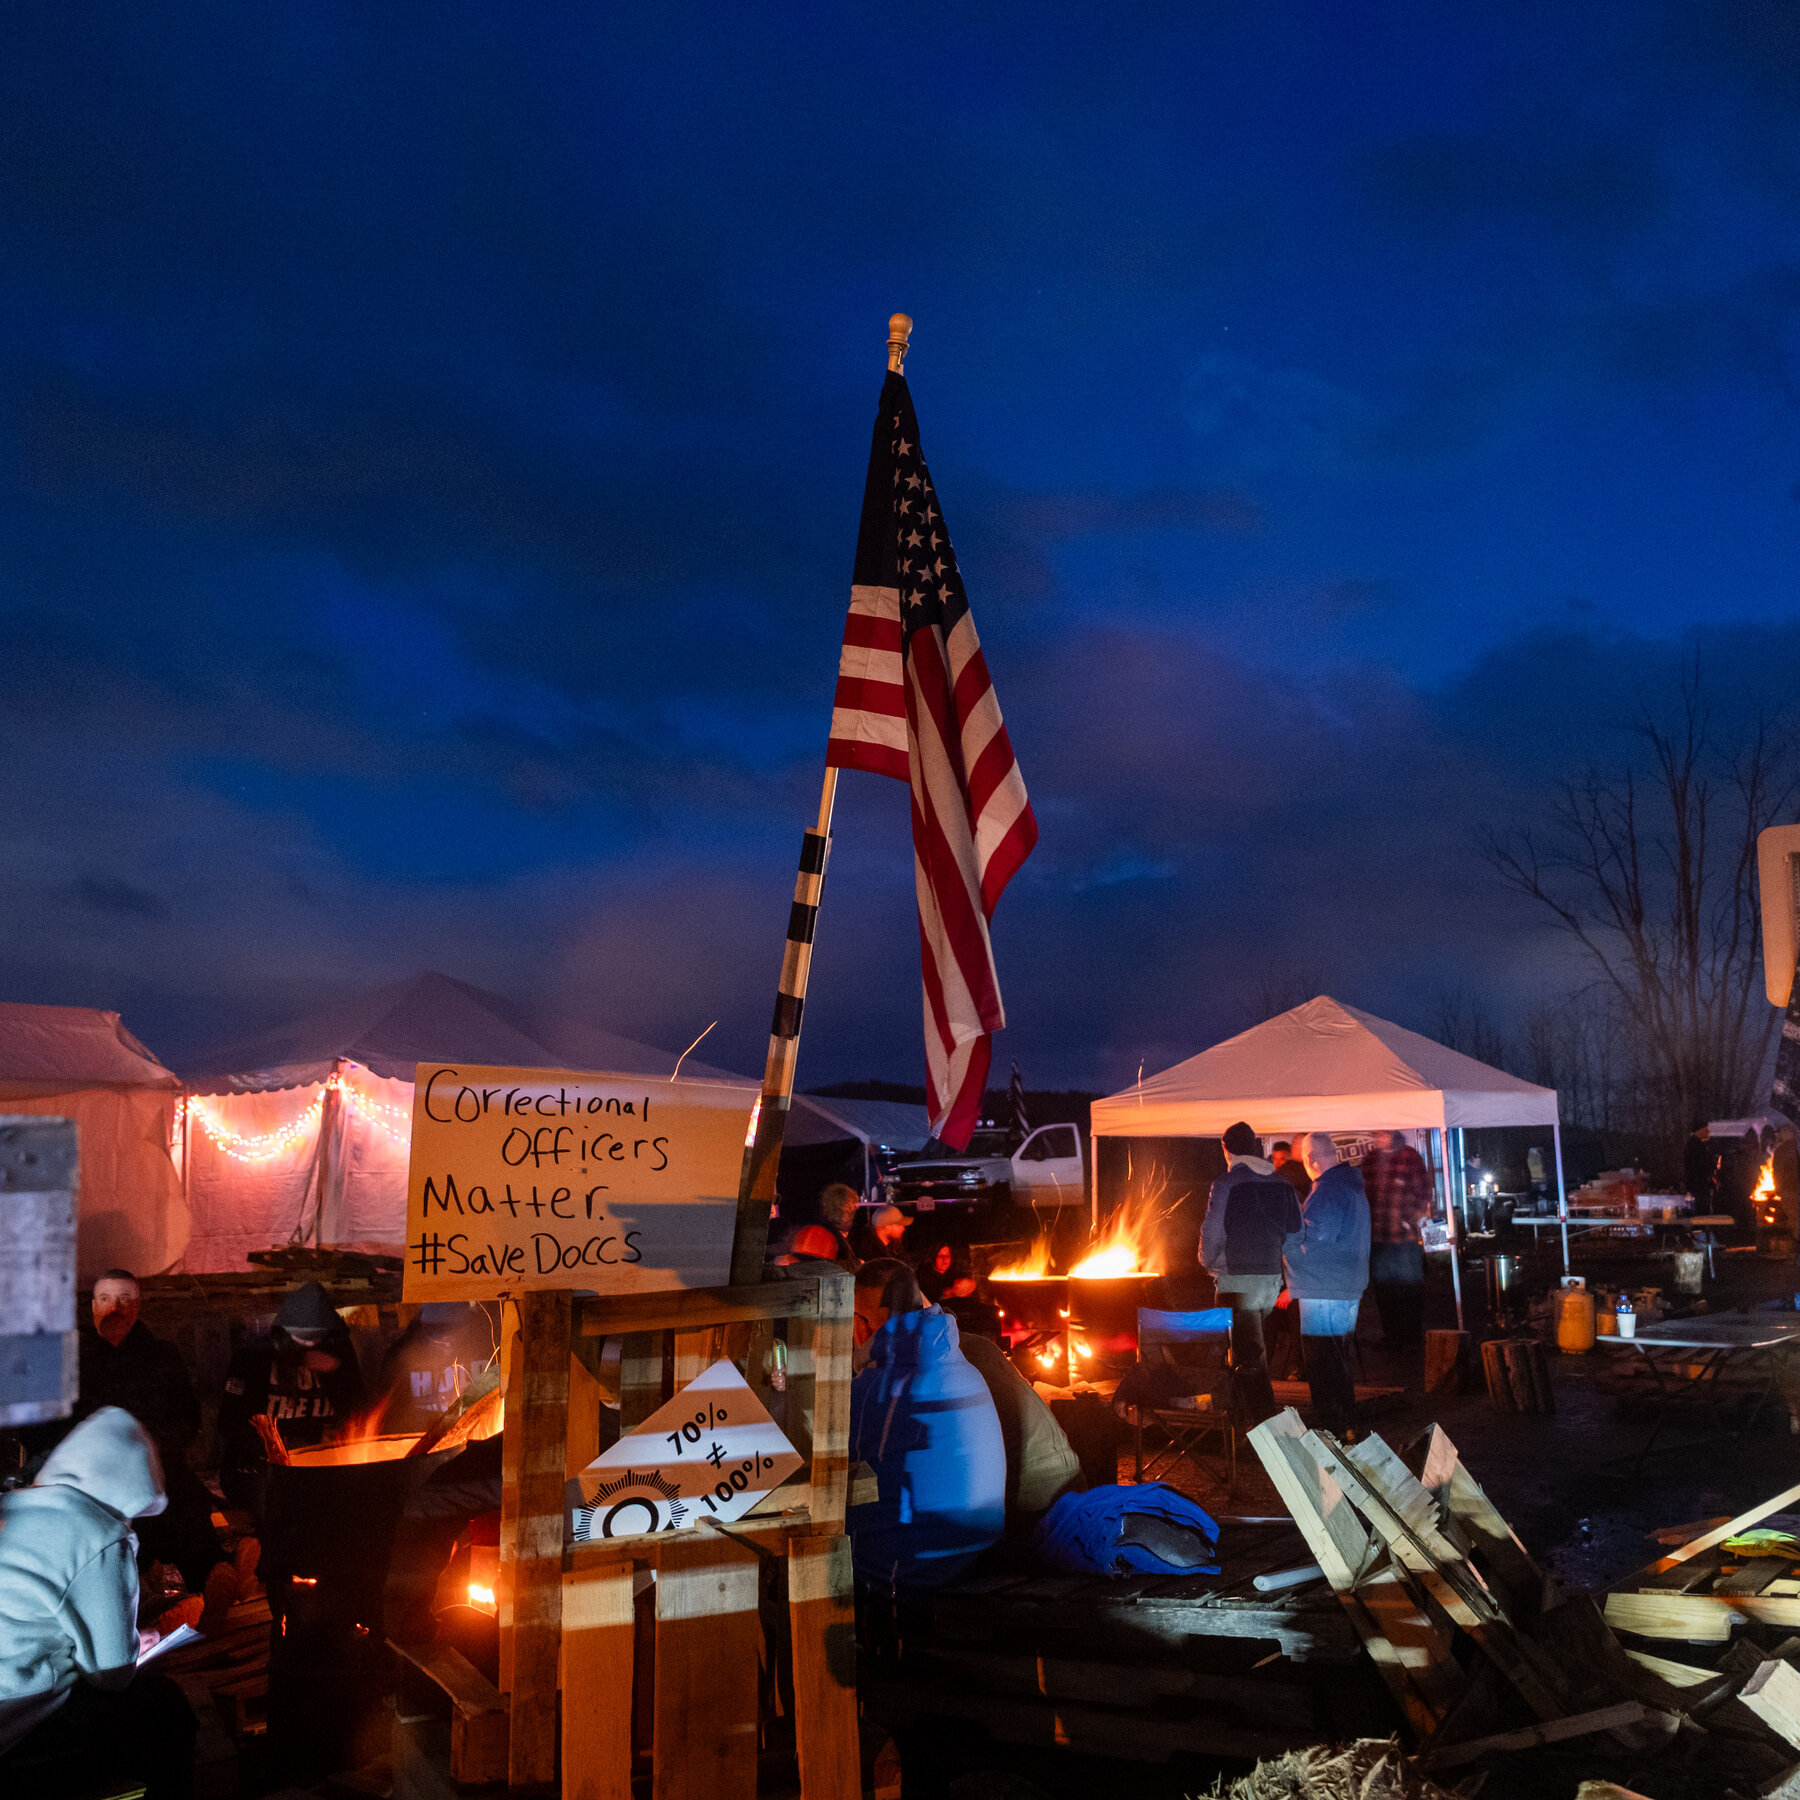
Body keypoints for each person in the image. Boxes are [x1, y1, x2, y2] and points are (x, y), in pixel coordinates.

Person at [0, 1408, 197, 1800]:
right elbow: (111, 1674)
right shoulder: (99, 1535)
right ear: (131, 1487)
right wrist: (136, 1643)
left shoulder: (13, 1505)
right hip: (16, 1725)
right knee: (167, 1707)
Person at [77, 1270, 239, 1632]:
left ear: (137, 1307)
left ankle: (212, 1583)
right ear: (92, 1307)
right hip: (91, 1464)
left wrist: (155, 1445)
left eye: (124, 1300)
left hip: (153, 1457)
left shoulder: (160, 1354)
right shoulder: (73, 1357)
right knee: (114, 1511)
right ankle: (143, 1602)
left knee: (180, 1497)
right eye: (105, 1300)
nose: (114, 1308)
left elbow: (187, 1414)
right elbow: (49, 1423)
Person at [847, 1263, 1005, 1589]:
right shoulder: (963, 1367)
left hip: (910, 1574)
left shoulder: (878, 1389)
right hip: (976, 1560)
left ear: (859, 1325)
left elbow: (828, 1467)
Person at [218, 1282, 369, 1517]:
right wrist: (270, 1453)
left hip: (323, 1458)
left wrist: (337, 1371)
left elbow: (359, 1409)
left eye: (318, 1337)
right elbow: (230, 1422)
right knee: (276, 1505)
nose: (311, 1343)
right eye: (302, 1337)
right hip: (266, 1465)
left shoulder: (337, 1350)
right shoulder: (253, 1358)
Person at [1199, 1121, 1303, 1425]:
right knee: (1251, 1349)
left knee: (1247, 1356)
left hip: (1236, 1280)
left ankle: (1261, 1427)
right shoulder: (1282, 1184)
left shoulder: (1226, 1184)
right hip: (1270, 1282)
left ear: (1226, 1148)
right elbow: (1296, 1235)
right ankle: (1243, 1420)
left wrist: (1209, 1262)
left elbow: (1212, 1232)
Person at [1285, 1134, 1370, 1438]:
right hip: (1345, 1285)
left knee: (1323, 1364)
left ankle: (1332, 1432)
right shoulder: (1350, 1185)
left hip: (1323, 1288)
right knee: (1339, 1360)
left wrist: (1287, 1238)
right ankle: (1346, 1428)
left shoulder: (1328, 1190)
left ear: (1310, 1160)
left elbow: (1315, 1239)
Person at [373, 1302, 498, 1437]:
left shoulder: (488, 1347)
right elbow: (385, 1417)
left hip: (478, 1442)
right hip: (423, 1446)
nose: (445, 1338)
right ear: (424, 1326)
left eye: (454, 1329)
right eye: (436, 1332)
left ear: (469, 1323)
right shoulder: (401, 1358)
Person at [1361, 1129, 1433, 1347]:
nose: (1379, 1138)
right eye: (1377, 1134)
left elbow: (1424, 1191)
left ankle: (1411, 1336)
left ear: (1393, 1133)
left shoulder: (1410, 1156)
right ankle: (1391, 1335)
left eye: (1383, 1133)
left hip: (1404, 1236)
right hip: (1378, 1234)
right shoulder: (1371, 1159)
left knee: (1409, 1287)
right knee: (1384, 1289)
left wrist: (1410, 1218)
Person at [1684, 1121, 1718, 1212]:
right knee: (1701, 1214)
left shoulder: (1696, 1144)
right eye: (1706, 1129)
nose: (1708, 1132)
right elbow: (1701, 1165)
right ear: (1700, 1130)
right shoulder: (1695, 1146)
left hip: (1698, 1186)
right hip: (1699, 1187)